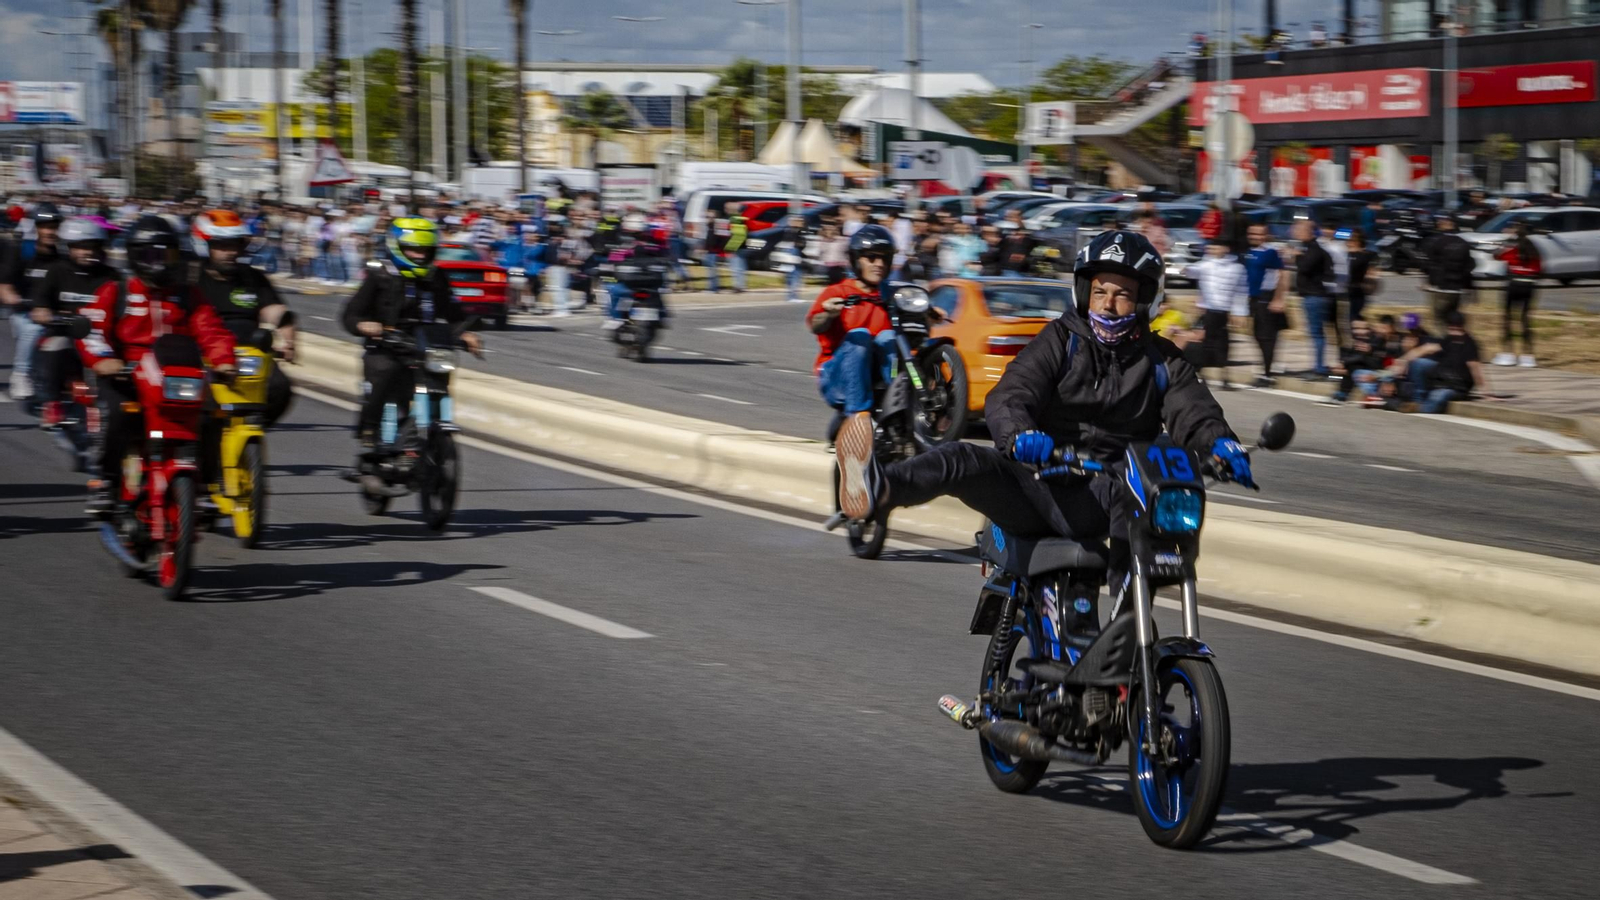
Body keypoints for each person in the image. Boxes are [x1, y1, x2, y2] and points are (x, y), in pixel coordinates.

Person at [834, 230, 1254, 601]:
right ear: (1084, 291)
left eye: (1122, 293)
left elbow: (1193, 412)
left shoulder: (1163, 360)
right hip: (1042, 481)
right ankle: (878, 487)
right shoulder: (1060, 340)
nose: (1108, 304)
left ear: (1145, 299)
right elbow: (1012, 394)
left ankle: (1129, 619)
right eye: (1100, 291)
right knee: (959, 457)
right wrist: (1020, 435)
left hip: (1110, 494)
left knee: (1154, 484)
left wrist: (1221, 444)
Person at [76, 215, 237, 514]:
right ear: (136, 256)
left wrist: (225, 362)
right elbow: (93, 330)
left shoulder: (189, 296)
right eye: (152, 254)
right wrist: (104, 361)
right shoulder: (117, 291)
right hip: (129, 378)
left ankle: (202, 487)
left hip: (179, 377)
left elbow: (211, 330)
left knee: (213, 415)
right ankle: (105, 483)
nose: (161, 262)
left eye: (168, 254)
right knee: (115, 415)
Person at [340, 218, 480, 472]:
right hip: (385, 347)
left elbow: (453, 313)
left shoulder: (436, 278)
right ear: (397, 247)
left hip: (424, 347)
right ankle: (370, 431)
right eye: (413, 249)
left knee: (440, 378)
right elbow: (351, 314)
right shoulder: (379, 274)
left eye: (425, 250)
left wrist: (466, 333)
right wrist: (365, 325)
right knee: (384, 373)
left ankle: (424, 439)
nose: (420, 255)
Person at [191, 210, 297, 427]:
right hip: (203, 353)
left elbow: (276, 311)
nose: (230, 252)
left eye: (235, 245)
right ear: (204, 245)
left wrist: (288, 341)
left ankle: (254, 427)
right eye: (222, 246)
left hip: (248, 355)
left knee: (280, 386)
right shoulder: (190, 278)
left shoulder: (253, 277)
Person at [30, 217, 121, 430]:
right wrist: (43, 313)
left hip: (101, 337)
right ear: (67, 247)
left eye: (92, 247)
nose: (87, 252)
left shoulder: (111, 276)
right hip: (66, 333)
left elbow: (123, 307)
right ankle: (52, 404)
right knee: (54, 346)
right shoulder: (56, 271)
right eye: (80, 247)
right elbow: (40, 302)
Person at [2, 202, 65, 400]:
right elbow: (4, 286)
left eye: (54, 226)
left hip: (58, 313)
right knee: (33, 328)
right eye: (45, 226)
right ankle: (21, 374)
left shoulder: (64, 255)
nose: (49, 231)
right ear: (36, 227)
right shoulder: (22, 251)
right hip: (25, 313)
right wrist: (16, 299)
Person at [1183, 241, 1249, 390]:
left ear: (1225, 248)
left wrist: (1240, 313)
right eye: (1211, 247)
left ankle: (1224, 377)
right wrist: (1186, 269)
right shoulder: (1207, 264)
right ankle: (1201, 375)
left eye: (1217, 246)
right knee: (1205, 344)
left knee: (1223, 346)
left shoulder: (1237, 268)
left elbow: (1241, 292)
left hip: (1224, 312)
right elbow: (1194, 270)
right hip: (1208, 311)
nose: (1213, 250)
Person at [1399, 311, 1488, 414]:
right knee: (1419, 363)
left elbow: (1476, 368)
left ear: (1463, 328)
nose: (1454, 333)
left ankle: (1421, 409)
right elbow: (1427, 349)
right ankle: (1417, 400)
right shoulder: (1449, 339)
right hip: (1443, 378)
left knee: (1437, 396)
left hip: (1458, 386)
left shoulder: (1470, 344)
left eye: (1457, 329)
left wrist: (1485, 392)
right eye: (1451, 329)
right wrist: (1403, 360)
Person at [1288, 218, 1334, 378]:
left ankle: (1320, 368)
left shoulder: (1314, 249)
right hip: (1311, 296)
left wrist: (1297, 256)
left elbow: (1305, 267)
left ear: (1309, 232)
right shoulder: (1308, 248)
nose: (1296, 233)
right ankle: (1318, 365)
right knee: (1315, 333)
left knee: (1317, 333)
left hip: (1316, 296)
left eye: (1299, 231)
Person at [1242, 223, 1286, 386]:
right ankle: (1267, 366)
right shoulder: (1248, 252)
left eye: (1259, 234)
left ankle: (1267, 374)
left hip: (1266, 298)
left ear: (1266, 235)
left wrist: (1278, 298)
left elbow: (1282, 275)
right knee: (1256, 335)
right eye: (1252, 233)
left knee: (1267, 337)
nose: (1254, 236)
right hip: (1252, 299)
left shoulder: (1270, 252)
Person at [1493, 223, 1539, 367]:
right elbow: (1539, 268)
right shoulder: (1534, 250)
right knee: (1525, 319)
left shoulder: (1512, 248)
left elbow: (1496, 256)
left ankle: (1508, 354)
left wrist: (1505, 243)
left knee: (1508, 318)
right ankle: (1528, 356)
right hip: (1529, 285)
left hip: (1514, 284)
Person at [1423, 213, 1474, 323]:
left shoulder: (1435, 242)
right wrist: (1468, 286)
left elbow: (1429, 264)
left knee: (1439, 319)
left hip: (1441, 287)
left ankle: (1444, 339)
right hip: (1457, 288)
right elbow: (1469, 266)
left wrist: (1429, 282)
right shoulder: (1463, 243)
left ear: (1446, 223)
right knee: (1453, 319)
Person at [1345, 229, 1377, 325]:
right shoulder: (1345, 253)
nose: (1348, 242)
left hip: (1357, 291)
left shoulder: (1366, 255)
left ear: (1358, 242)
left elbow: (1372, 275)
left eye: (1351, 240)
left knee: (1353, 317)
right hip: (1345, 290)